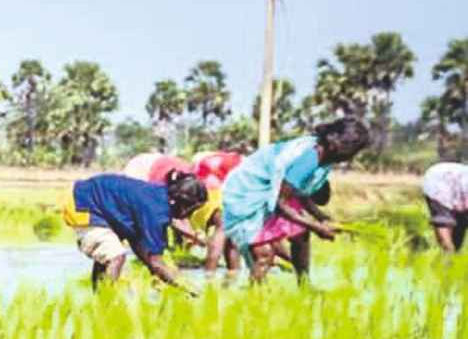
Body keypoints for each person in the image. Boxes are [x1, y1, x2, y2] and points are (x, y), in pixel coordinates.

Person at [221, 118, 371, 283]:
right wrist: (316, 227)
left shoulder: (323, 158)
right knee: (264, 255)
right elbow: (281, 204)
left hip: (270, 192)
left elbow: (299, 192)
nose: (351, 157)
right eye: (353, 151)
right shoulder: (309, 159)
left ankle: (304, 284)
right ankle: (253, 298)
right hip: (248, 194)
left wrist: (323, 218)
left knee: (300, 233)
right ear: (341, 145)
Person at [62, 172, 208, 293]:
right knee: (116, 256)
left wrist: (159, 276)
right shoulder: (156, 212)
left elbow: (141, 248)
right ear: (177, 202)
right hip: (83, 204)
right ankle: (105, 308)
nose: (190, 216)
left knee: (107, 255)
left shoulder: (160, 198)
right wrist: (190, 289)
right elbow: (157, 263)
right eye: (191, 210)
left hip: (95, 201)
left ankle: (99, 302)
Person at [122, 153, 237, 274]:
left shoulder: (192, 187)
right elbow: (169, 218)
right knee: (151, 224)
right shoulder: (162, 190)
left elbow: (180, 215)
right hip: (144, 169)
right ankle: (156, 261)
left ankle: (165, 257)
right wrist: (195, 237)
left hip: (164, 170)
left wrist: (193, 235)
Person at [423, 162, 468, 253]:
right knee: (444, 219)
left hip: (456, 185)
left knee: (461, 222)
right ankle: (448, 252)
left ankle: (454, 253)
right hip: (438, 181)